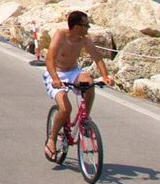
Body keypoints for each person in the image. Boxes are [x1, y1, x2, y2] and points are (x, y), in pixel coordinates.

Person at [44, 10, 111, 161]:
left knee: (89, 84)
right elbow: (49, 59)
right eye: (86, 25)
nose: (88, 27)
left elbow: (97, 58)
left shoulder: (84, 40)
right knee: (66, 108)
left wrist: (105, 76)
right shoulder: (60, 35)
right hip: (56, 73)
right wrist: (55, 78)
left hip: (73, 71)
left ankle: (84, 119)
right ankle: (52, 139)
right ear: (76, 26)